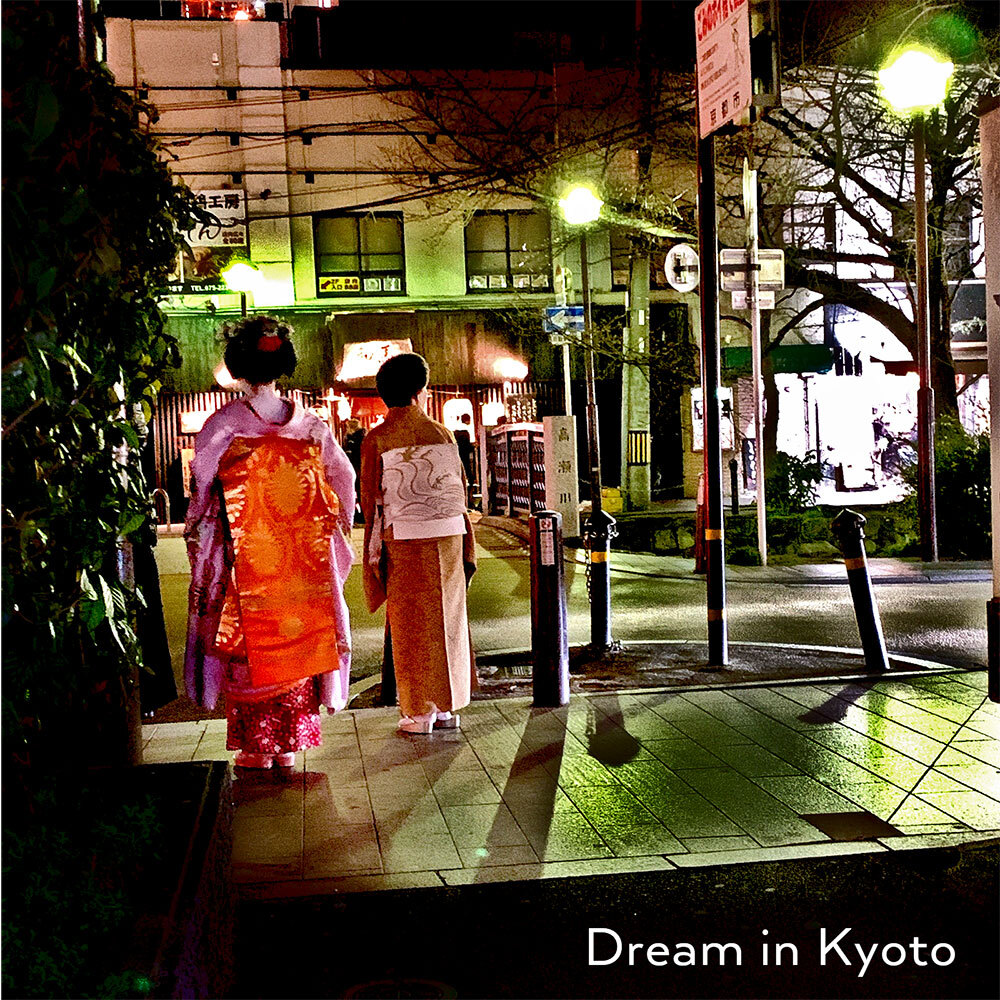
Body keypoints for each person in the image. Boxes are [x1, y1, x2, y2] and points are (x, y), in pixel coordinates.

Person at [184, 316, 355, 768]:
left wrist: (203, 528)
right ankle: (290, 745)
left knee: (247, 646)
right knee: (298, 639)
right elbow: (344, 478)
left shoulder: (224, 425)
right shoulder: (310, 425)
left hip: (246, 557)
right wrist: (329, 525)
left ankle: (255, 748)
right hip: (302, 559)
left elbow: (203, 486)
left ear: (237, 366)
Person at [360, 353, 477, 734]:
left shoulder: (377, 438)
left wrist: (373, 548)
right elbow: (460, 486)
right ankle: (446, 707)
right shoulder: (441, 433)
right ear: (420, 391)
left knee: (410, 623)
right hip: (448, 535)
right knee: (448, 617)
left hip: (403, 538)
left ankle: (417, 712)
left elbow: (369, 499)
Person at [342, 418, 366, 523]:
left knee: (355, 490)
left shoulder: (352, 439)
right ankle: (362, 514)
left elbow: (350, 454)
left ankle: (358, 514)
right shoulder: (362, 438)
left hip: (355, 467)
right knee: (360, 491)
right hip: (359, 467)